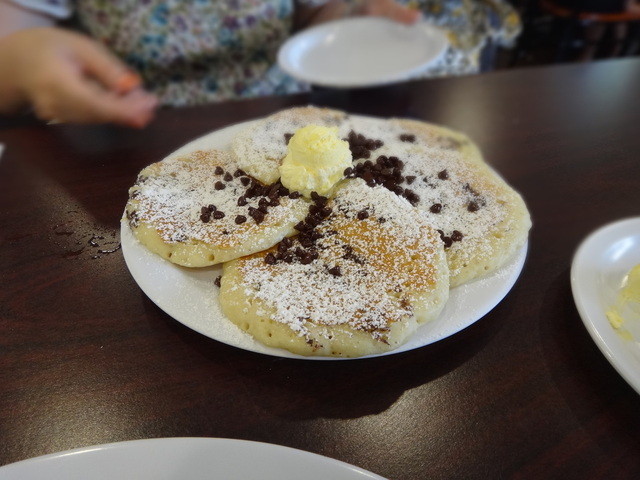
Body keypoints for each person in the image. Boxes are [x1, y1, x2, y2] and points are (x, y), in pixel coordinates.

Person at [0, 0, 420, 128]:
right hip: (131, 141)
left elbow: (313, 14)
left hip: (282, 121)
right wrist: (23, 58)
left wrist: (353, 22)